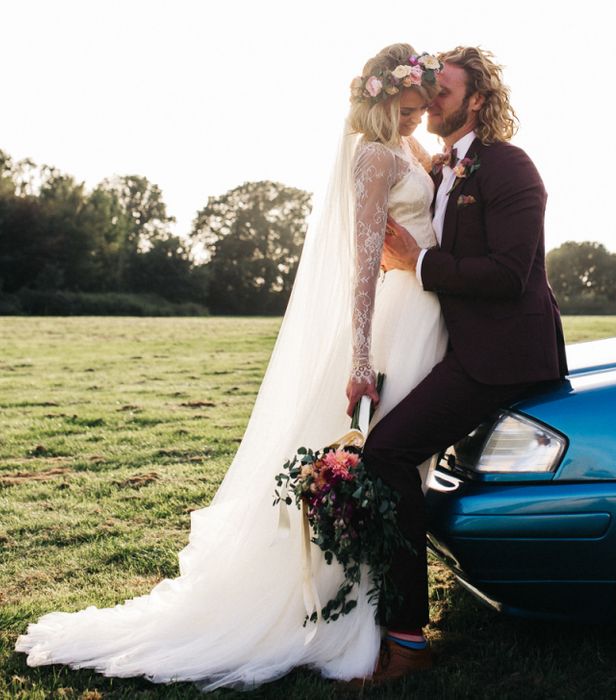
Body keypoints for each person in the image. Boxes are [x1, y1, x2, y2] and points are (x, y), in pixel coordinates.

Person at [15, 43, 448, 691]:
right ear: (387, 100)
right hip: (400, 318)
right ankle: (373, 613)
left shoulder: (412, 151)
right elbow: (363, 266)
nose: (418, 120)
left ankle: (400, 606)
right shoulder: (374, 158)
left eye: (422, 111)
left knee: (413, 469)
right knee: (392, 470)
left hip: (433, 308)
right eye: (410, 109)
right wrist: (359, 355)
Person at [354, 46, 568, 682]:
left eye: (441, 89)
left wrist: (418, 264)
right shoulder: (442, 165)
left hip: (499, 354)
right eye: (425, 86)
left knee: (386, 453)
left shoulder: (509, 167)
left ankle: (407, 641)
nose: (429, 96)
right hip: (459, 343)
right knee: (396, 453)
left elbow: (509, 275)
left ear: (477, 99)